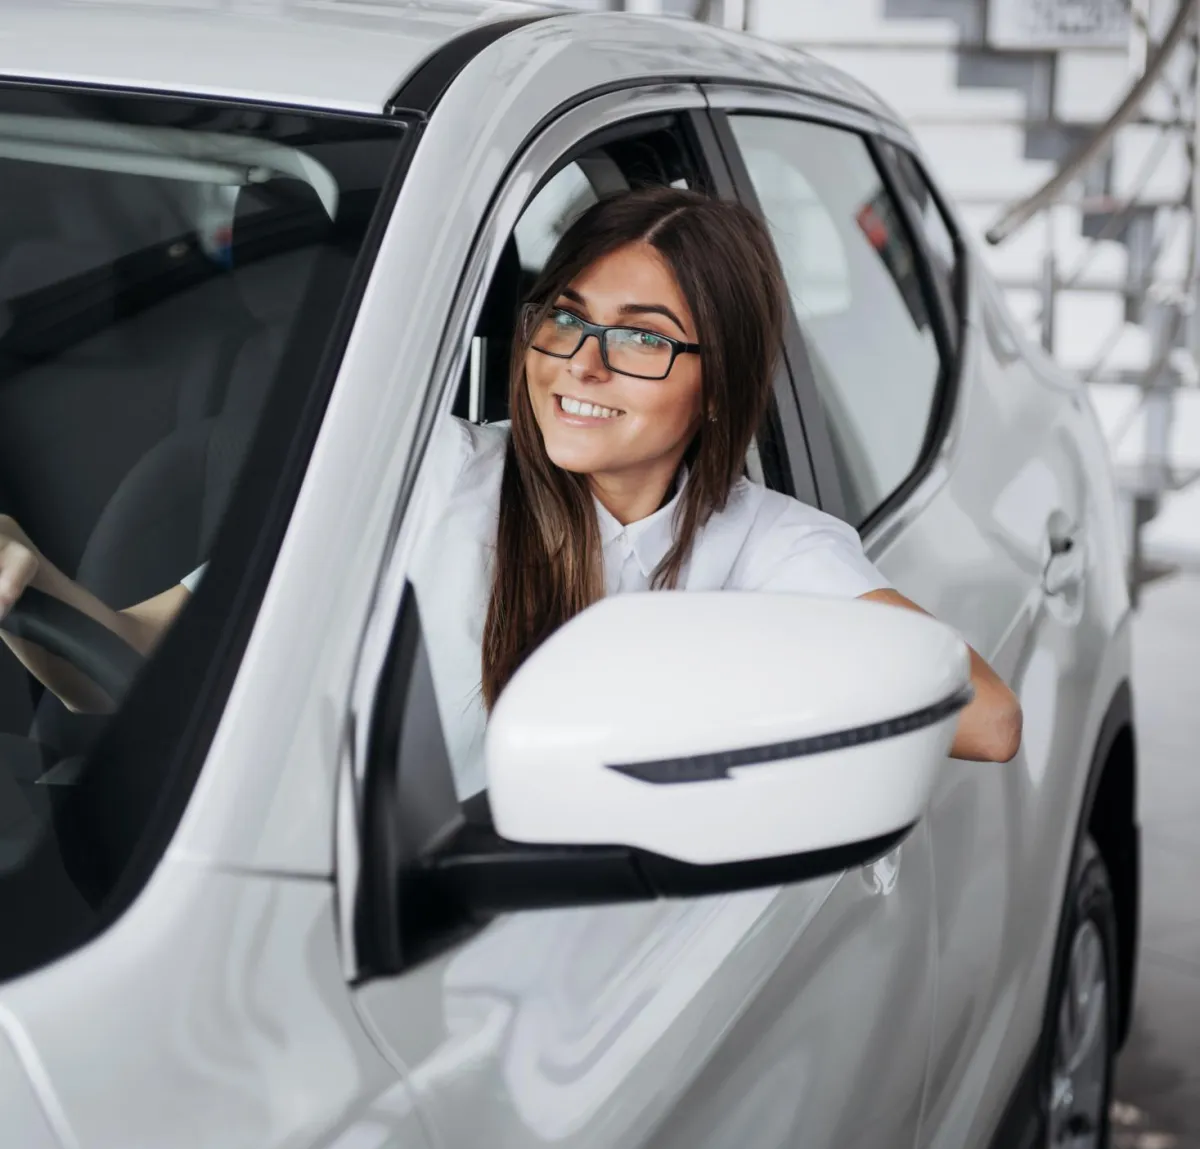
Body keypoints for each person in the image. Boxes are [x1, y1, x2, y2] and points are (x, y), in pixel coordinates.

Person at [0, 187, 1022, 794]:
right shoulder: (421, 476)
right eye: (565, 318)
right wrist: (29, 582)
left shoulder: (769, 548)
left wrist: (707, 676)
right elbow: (141, 661)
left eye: (642, 341)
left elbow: (986, 718)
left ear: (721, 387)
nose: (581, 363)